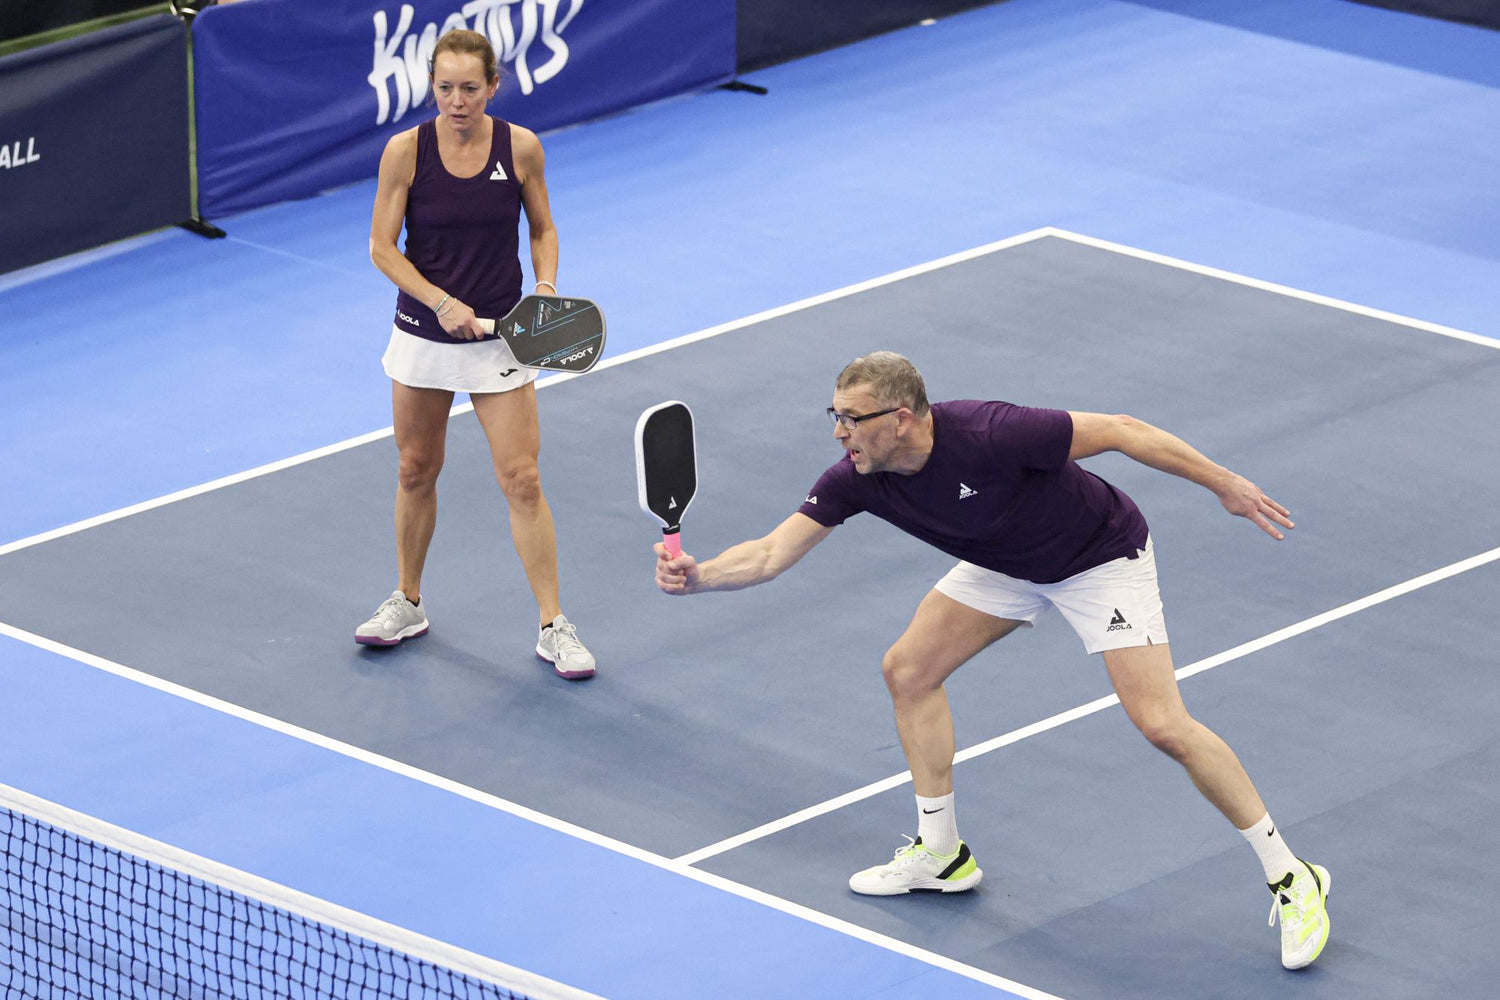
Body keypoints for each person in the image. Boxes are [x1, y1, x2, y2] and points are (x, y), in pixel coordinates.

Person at [653, 351, 1330, 969]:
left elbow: (1124, 428)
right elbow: (772, 553)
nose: (839, 433)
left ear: (904, 418)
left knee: (1161, 724)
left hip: (1098, 559)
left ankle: (1292, 874)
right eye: (835, 416)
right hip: (1005, 564)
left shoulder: (993, 432)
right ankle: (941, 855)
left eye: (852, 419)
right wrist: (702, 576)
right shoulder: (858, 477)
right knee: (908, 670)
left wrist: (1223, 484)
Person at [360, 29, 595, 680]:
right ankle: (407, 600)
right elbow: (383, 247)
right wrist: (439, 302)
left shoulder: (520, 147)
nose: (456, 101)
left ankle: (554, 625)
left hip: (500, 339)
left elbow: (542, 228)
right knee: (415, 469)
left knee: (522, 480)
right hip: (423, 335)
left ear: (493, 86)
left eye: (469, 88)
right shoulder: (405, 152)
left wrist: (545, 291)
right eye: (444, 88)